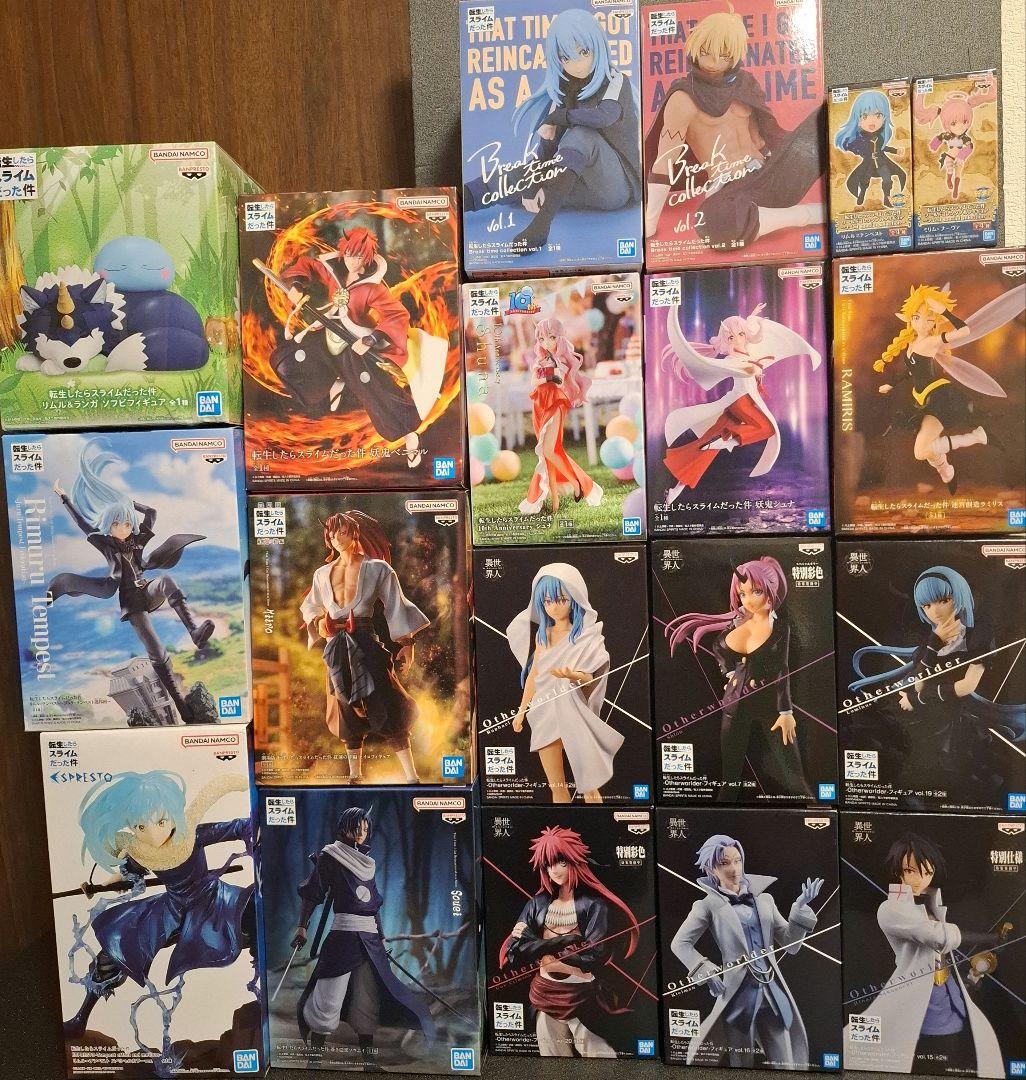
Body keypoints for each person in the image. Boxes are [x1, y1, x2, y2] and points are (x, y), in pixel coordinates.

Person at [64, 771, 256, 1044]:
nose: (153, 834)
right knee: (113, 950)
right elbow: (127, 874)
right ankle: (80, 1019)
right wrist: (99, 886)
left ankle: (264, 991)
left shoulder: (191, 835)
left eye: (160, 822)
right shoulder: (142, 851)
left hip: (212, 903)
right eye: (141, 827)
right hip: (171, 909)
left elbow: (239, 826)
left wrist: (255, 836)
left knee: (253, 919)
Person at [48, 439, 215, 724]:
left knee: (165, 579)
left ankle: (194, 632)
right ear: (109, 525)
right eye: (117, 523)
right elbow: (82, 524)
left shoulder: (137, 540)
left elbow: (151, 513)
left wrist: (129, 503)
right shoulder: (106, 545)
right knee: (156, 650)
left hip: (146, 590)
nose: (123, 528)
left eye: (126, 522)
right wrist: (65, 498)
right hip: (130, 602)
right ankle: (181, 707)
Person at [644, 5, 823, 251]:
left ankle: (764, 216)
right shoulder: (683, 98)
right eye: (706, 52)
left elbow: (762, 138)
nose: (713, 62)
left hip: (769, 174)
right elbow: (665, 160)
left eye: (724, 56)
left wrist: (794, 153)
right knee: (710, 223)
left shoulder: (745, 84)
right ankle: (808, 214)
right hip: (731, 192)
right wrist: (650, 222)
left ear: (736, 56)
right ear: (695, 45)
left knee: (823, 119)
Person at [463, 8, 641, 253]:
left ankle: (541, 225)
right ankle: (455, 203)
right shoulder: (562, 92)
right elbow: (550, 150)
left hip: (616, 186)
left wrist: (561, 117)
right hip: (578, 183)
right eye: (567, 58)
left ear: (598, 46)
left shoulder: (615, 80)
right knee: (515, 177)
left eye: (584, 52)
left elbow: (604, 116)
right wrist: (534, 185)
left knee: (582, 135)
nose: (577, 64)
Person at [270, 226, 447, 467]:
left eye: (359, 256)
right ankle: (334, 380)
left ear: (368, 257)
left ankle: (409, 434)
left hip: (354, 341)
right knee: (290, 358)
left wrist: (372, 339)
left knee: (374, 391)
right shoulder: (334, 271)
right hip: (326, 332)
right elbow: (309, 265)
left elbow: (396, 315)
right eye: (350, 254)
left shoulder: (373, 288)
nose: (353, 261)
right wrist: (297, 285)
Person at [847, 566, 1023, 807]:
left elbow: (966, 686)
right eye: (927, 606)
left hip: (958, 715)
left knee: (963, 771)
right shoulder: (931, 639)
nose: (935, 611)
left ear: (959, 595)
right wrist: (933, 644)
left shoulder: (979, 634)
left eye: (943, 600)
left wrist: (917, 698)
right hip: (926, 718)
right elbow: (918, 682)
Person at [845, 834, 1006, 1076]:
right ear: (898, 871)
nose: (920, 879)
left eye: (927, 872)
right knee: (923, 1049)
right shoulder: (891, 909)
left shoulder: (929, 904)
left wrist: (969, 981)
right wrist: (990, 938)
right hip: (916, 992)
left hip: (945, 990)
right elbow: (937, 936)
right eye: (911, 871)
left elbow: (942, 951)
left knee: (961, 1040)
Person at [291, 806, 434, 1066]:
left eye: (366, 828)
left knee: (366, 999)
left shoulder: (367, 863)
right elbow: (313, 893)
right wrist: (302, 926)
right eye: (358, 827)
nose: (362, 832)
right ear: (345, 827)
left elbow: (373, 904)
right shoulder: (330, 855)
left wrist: (381, 936)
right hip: (343, 937)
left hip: (370, 939)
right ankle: (314, 1060)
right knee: (328, 996)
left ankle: (369, 1062)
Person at [666, 557, 812, 801]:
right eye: (742, 593)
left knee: (795, 779)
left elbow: (782, 669)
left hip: (771, 708)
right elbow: (718, 646)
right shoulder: (737, 623)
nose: (748, 599)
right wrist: (729, 672)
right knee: (729, 780)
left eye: (756, 591)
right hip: (734, 705)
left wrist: (786, 712)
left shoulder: (781, 628)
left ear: (771, 590)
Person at [671, 834, 822, 1068]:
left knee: (786, 1063)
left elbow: (790, 945)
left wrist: (800, 907)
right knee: (742, 1064)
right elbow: (680, 942)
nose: (733, 868)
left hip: (772, 992)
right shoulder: (708, 905)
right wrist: (706, 970)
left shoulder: (765, 900)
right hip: (738, 998)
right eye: (724, 863)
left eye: (737, 860)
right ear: (711, 869)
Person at [300, 511, 429, 784]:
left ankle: (411, 777)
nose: (336, 538)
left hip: (366, 642)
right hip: (335, 647)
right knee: (344, 709)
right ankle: (355, 776)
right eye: (331, 533)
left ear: (354, 533)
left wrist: (407, 643)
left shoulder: (377, 568)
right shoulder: (321, 574)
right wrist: (318, 621)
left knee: (388, 704)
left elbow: (396, 604)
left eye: (342, 532)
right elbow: (310, 605)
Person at [660, 302, 821, 505]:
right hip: (741, 403)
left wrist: (755, 320)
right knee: (767, 428)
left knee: (706, 449)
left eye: (741, 334)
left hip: (733, 406)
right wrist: (752, 370)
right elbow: (742, 370)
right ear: (725, 341)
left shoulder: (747, 353)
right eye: (731, 337)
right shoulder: (731, 360)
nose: (737, 339)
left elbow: (756, 338)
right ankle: (725, 440)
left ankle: (675, 491)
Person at [500, 825, 639, 1057]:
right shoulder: (537, 904)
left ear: (575, 861)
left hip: (582, 997)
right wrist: (567, 941)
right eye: (548, 864)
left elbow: (594, 955)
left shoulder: (594, 905)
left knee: (601, 1058)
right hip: (544, 995)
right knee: (552, 1062)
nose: (554, 870)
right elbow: (515, 953)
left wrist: (536, 945)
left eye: (561, 862)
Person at [874, 282, 1025, 494]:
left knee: (920, 452)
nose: (921, 323)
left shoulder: (932, 341)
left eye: (929, 319)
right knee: (928, 445)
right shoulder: (912, 343)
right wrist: (892, 384)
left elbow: (964, 331)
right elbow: (912, 370)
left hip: (940, 399)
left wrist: (945, 312)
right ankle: (946, 470)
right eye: (916, 317)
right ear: (909, 318)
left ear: (935, 322)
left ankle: (977, 437)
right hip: (923, 399)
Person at [507, 564, 622, 803]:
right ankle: (562, 826)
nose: (554, 606)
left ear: (574, 597)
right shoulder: (543, 635)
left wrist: (575, 676)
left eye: (561, 599)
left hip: (573, 712)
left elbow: (593, 678)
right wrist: (521, 711)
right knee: (557, 787)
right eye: (548, 601)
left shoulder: (586, 636)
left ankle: (600, 825)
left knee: (589, 787)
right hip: (543, 711)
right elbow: (534, 675)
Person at [518, 317, 603, 517]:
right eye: (541, 339)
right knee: (547, 452)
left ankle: (577, 483)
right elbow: (534, 381)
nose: (546, 342)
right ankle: (555, 500)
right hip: (539, 404)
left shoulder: (562, 360)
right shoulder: (540, 360)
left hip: (555, 403)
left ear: (560, 338)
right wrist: (547, 377)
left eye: (551, 337)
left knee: (549, 449)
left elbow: (559, 382)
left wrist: (550, 376)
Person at [833, 89, 908, 209]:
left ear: (884, 118)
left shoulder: (880, 136)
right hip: (868, 164)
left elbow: (882, 148)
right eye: (865, 116)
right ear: (858, 120)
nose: (872, 121)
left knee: (888, 179)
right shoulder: (861, 138)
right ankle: (861, 193)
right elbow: (860, 149)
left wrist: (895, 151)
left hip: (882, 162)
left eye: (878, 115)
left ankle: (886, 199)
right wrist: (866, 154)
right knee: (864, 180)